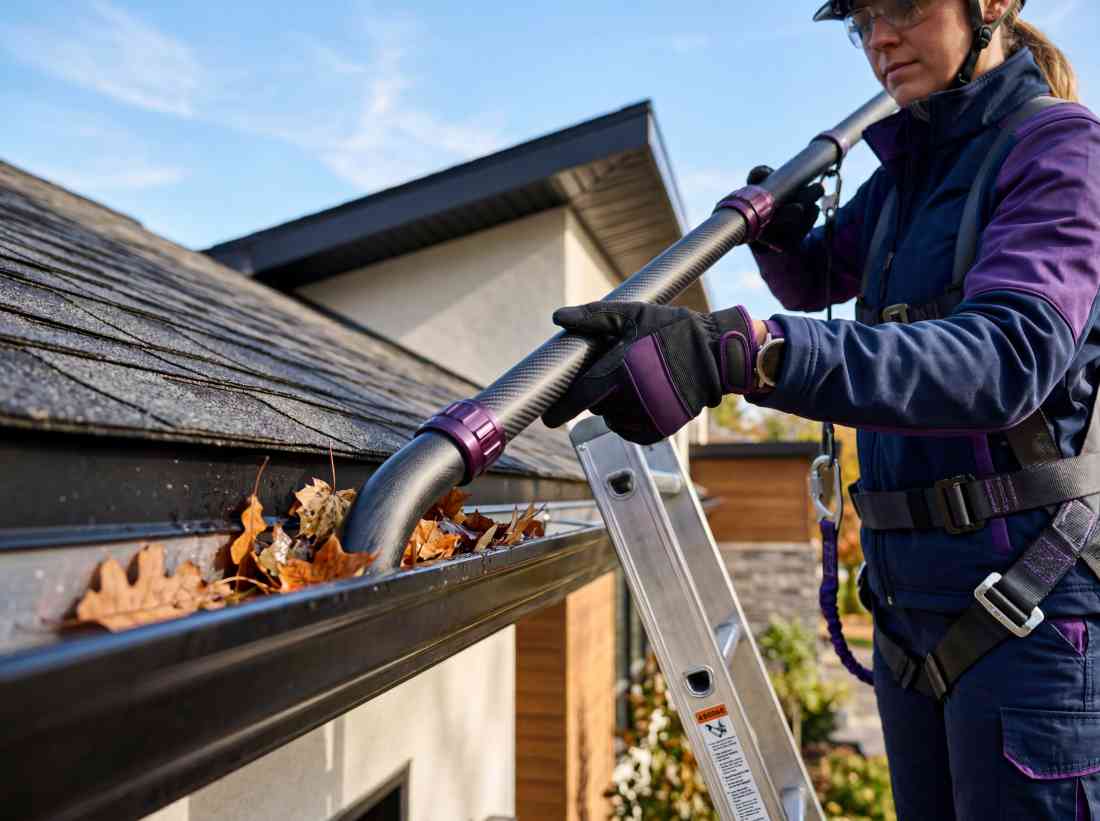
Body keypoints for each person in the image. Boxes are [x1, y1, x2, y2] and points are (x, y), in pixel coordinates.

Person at [541, 1, 1100, 818]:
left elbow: (1004, 359)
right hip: (911, 617)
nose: (878, 39)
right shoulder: (909, 174)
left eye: (904, 7)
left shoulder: (1061, 152)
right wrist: (779, 238)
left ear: (993, 6)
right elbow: (814, 280)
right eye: (861, 20)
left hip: (1027, 615)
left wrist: (750, 350)